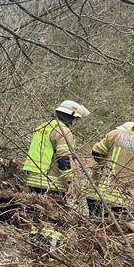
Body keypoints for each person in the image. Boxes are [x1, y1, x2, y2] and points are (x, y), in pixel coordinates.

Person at [22, 100, 90, 247]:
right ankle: (50, 251)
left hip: (34, 178)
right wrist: (69, 181)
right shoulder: (63, 131)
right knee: (55, 219)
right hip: (51, 181)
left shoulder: (42, 127)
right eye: (76, 119)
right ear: (71, 115)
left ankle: (34, 248)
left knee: (38, 217)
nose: (76, 123)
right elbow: (63, 158)